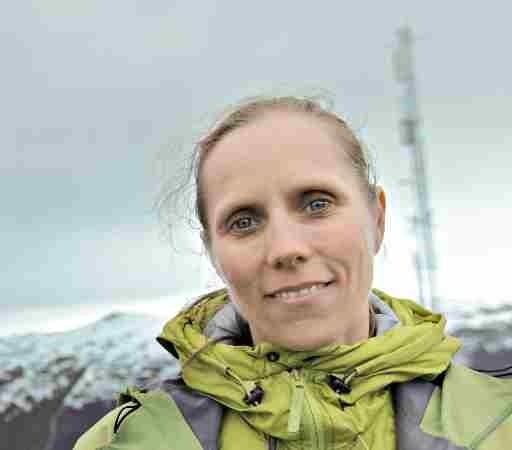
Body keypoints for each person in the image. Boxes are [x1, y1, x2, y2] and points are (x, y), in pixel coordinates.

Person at [74, 96, 512, 450]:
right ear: (213, 253)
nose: (286, 249)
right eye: (244, 221)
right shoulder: (125, 443)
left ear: (376, 219)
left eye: (316, 203)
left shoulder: (500, 425)